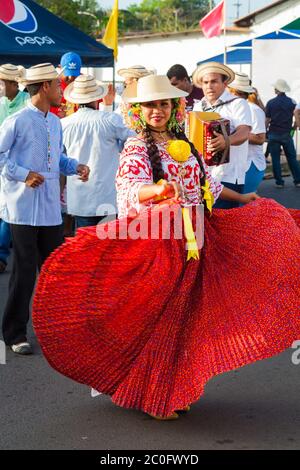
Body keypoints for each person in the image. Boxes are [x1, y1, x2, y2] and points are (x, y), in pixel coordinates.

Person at [32, 75, 300, 421]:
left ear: (174, 107)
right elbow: (130, 188)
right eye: (150, 105)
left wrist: (243, 196)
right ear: (138, 111)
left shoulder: (185, 143)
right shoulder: (137, 147)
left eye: (163, 103)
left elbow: (207, 186)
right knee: (164, 319)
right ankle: (155, 393)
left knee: (188, 319)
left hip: (198, 240)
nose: (157, 110)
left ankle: (170, 387)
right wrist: (156, 191)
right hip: (163, 242)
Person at [0, 63, 90, 355]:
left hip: (50, 207)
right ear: (44, 88)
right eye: (57, 84)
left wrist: (75, 166)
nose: (62, 89)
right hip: (23, 207)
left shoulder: (54, 122)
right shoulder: (16, 120)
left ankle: (55, 329)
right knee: (24, 271)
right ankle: (14, 333)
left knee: (54, 270)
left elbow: (58, 159)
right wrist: (23, 174)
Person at [61, 75, 135, 229]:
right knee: (108, 248)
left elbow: (59, 158)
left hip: (79, 197)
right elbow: (133, 141)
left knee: (85, 247)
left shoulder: (64, 124)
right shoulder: (110, 120)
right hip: (107, 195)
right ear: (97, 98)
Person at [192, 62, 252, 209]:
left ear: (225, 83)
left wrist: (227, 140)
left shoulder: (238, 104)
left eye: (214, 81)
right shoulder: (198, 106)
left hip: (229, 175)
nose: (209, 86)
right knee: (206, 223)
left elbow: (244, 131)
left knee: (227, 224)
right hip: (204, 176)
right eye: (205, 82)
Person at [0, 64, 29, 273]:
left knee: (8, 211)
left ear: (12, 83)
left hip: (17, 168)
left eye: (1, 82)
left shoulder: (26, 103)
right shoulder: (1, 103)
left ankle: (1, 255)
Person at [228, 73, 266, 194]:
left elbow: (260, 139)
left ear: (233, 90)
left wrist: (236, 133)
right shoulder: (231, 108)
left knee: (245, 205)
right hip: (237, 165)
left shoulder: (254, 110)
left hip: (251, 165)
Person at [265, 79, 300, 188]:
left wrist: (265, 132)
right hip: (286, 134)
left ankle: (279, 182)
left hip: (273, 133)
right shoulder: (292, 102)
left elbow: (267, 120)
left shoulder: (270, 102)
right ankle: (297, 181)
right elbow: (297, 115)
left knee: (275, 158)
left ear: (277, 89)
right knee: (292, 158)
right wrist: (295, 125)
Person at [50, 52, 82, 118]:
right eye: (67, 74)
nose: (70, 77)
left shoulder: (86, 83)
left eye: (74, 74)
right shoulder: (52, 86)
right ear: (60, 67)